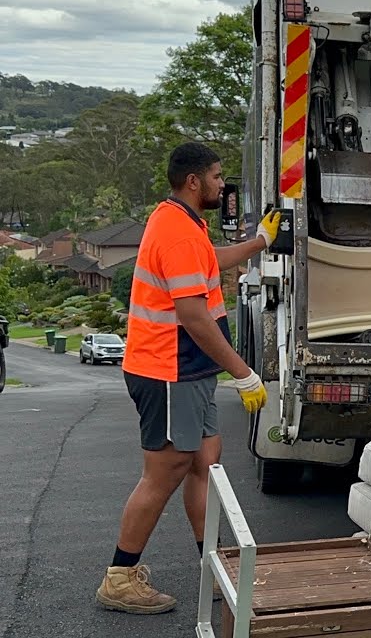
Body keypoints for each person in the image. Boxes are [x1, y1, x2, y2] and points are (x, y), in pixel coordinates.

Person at [96, 142, 282, 615]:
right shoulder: (177, 232)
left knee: (205, 463)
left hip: (189, 370)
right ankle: (119, 578)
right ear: (194, 181)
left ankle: (213, 566)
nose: (224, 184)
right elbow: (194, 316)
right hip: (167, 370)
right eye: (218, 176)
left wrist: (259, 241)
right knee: (166, 472)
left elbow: (210, 260)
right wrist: (243, 373)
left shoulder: (185, 223)